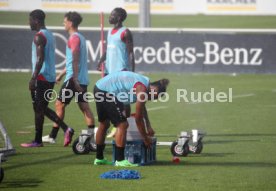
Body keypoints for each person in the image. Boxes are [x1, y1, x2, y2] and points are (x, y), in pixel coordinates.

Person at [21, 9, 73, 148]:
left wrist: (33, 78)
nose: (29, 23)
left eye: (30, 20)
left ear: (36, 21)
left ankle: (64, 129)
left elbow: (40, 58)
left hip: (41, 77)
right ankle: (39, 140)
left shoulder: (39, 36)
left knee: (40, 108)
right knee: (40, 108)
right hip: (48, 77)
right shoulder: (49, 34)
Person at [93, 71, 169, 167]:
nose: (152, 99)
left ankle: (99, 158)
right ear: (153, 89)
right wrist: (145, 138)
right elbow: (138, 119)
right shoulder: (142, 89)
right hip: (107, 92)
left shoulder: (145, 85)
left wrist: (148, 126)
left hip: (99, 87)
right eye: (155, 97)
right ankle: (120, 160)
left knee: (104, 124)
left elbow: (142, 108)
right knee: (123, 125)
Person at [42, 11, 95, 145]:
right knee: (85, 108)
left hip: (73, 79)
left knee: (59, 104)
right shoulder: (81, 37)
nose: (63, 24)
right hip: (80, 78)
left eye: (65, 21)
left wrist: (74, 78)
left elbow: (75, 60)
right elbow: (72, 60)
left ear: (70, 23)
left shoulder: (74, 38)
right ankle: (92, 137)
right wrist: (61, 74)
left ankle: (55, 135)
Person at [97, 7, 135, 137]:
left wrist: (133, 74)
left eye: (112, 15)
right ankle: (116, 124)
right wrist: (101, 61)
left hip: (122, 70)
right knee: (110, 100)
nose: (110, 17)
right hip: (110, 71)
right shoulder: (109, 31)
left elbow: (130, 53)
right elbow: (108, 50)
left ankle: (125, 125)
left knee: (124, 101)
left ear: (119, 18)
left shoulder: (125, 32)